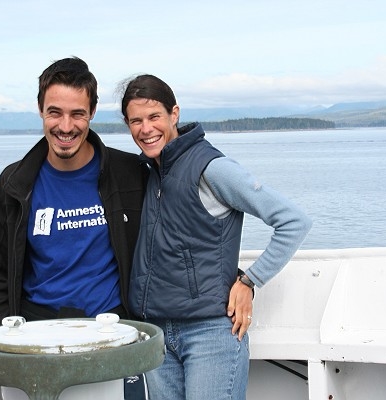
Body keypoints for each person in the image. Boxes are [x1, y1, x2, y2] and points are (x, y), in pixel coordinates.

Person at [120, 74, 312, 400]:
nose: (146, 128)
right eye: (136, 121)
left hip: (209, 333)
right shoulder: (153, 171)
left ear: (174, 114)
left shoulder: (211, 168)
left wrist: (250, 281)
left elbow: (293, 221)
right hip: (157, 332)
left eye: (154, 117)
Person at [0, 57, 148, 399]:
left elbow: (177, 228)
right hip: (36, 339)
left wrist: (233, 276)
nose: (66, 126)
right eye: (55, 112)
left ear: (93, 112)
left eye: (77, 114)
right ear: (40, 110)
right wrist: (4, 334)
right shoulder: (14, 184)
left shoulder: (130, 174)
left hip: (112, 335)